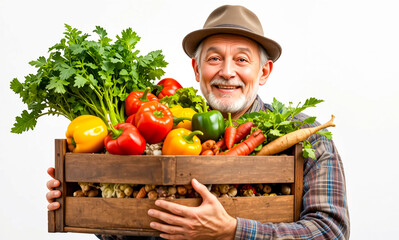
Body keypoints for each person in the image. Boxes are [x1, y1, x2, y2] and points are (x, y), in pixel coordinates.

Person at [46, 5, 350, 240]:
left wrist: (233, 231)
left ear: (264, 72)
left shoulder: (305, 135)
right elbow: (137, 228)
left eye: (242, 60)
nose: (227, 72)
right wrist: (85, 201)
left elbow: (332, 231)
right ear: (196, 68)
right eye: (214, 59)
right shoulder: (159, 135)